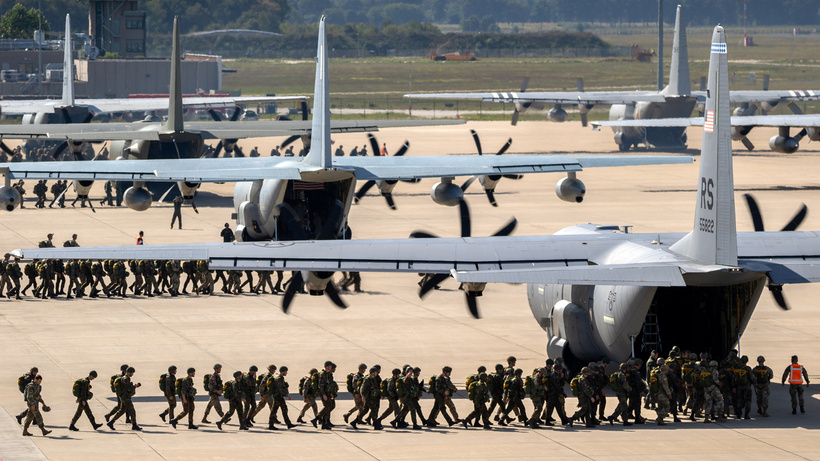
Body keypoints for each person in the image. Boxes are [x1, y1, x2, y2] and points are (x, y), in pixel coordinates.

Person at [107, 367, 142, 431]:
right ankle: (134, 425)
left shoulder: (124, 378)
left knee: (122, 411)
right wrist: (135, 386)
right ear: (128, 372)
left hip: (123, 397)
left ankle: (111, 422)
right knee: (132, 411)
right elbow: (128, 388)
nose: (132, 374)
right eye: (131, 373)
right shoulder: (126, 379)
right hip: (126, 398)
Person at [313, 361, 337, 430]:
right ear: (327, 367)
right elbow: (321, 386)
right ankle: (317, 419)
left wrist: (331, 393)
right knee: (327, 407)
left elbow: (329, 384)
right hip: (323, 393)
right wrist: (323, 395)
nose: (331, 367)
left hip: (327, 393)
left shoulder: (328, 374)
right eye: (330, 366)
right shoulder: (322, 374)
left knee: (331, 406)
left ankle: (324, 423)